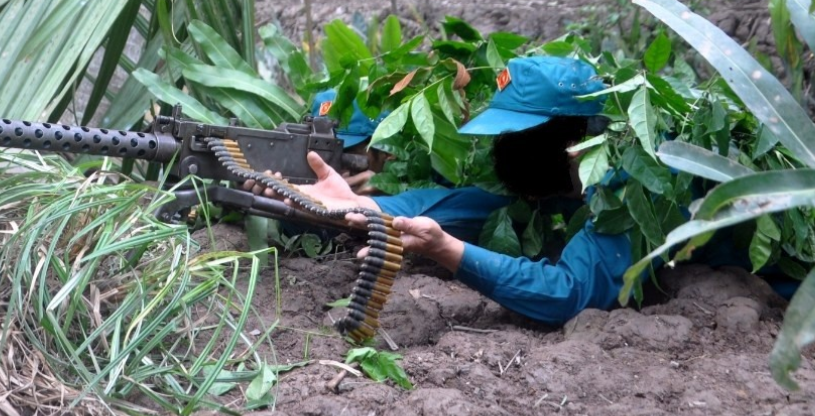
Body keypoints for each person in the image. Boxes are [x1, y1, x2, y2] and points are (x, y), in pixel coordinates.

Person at [251, 56, 630, 326]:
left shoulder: (626, 192)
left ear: (575, 137)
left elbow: (569, 293)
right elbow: (465, 204)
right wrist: (360, 204)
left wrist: (447, 250)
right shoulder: (549, 182)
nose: (506, 149)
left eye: (521, 138)